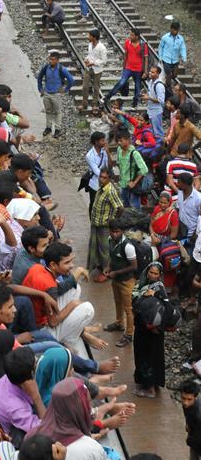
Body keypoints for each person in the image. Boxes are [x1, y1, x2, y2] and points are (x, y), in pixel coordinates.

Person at [27, 378, 118, 460]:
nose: (90, 410)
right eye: (87, 404)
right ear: (79, 408)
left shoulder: (31, 437)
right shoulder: (91, 449)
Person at [0, 347, 45, 444]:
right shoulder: (16, 408)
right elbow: (45, 428)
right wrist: (37, 398)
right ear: (31, 373)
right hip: (7, 437)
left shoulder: (9, 376)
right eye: (36, 363)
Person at [132, 262, 168, 398]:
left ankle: (150, 388)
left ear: (160, 275)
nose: (152, 275)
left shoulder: (159, 289)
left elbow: (165, 307)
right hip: (141, 329)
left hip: (152, 331)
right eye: (151, 272)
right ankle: (144, 381)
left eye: (155, 273)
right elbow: (135, 300)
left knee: (151, 356)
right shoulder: (140, 284)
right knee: (141, 354)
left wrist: (153, 296)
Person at [104, 218, 138, 348]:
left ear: (122, 231)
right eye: (112, 231)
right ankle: (119, 323)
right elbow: (112, 257)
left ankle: (129, 334)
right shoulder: (110, 240)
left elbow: (134, 266)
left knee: (129, 309)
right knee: (117, 302)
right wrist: (109, 267)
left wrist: (115, 273)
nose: (114, 234)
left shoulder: (128, 246)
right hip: (116, 280)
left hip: (127, 281)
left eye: (117, 232)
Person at [88, 168, 123, 279]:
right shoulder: (102, 188)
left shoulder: (110, 191)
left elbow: (120, 207)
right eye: (100, 177)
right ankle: (99, 266)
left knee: (105, 250)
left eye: (104, 178)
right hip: (96, 224)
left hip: (104, 226)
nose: (101, 179)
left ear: (109, 179)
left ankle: (106, 272)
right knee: (96, 246)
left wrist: (112, 221)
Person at [105, 29, 148, 109]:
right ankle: (107, 97)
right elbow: (126, 55)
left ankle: (135, 103)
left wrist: (145, 71)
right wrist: (124, 67)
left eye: (132, 35)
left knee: (137, 87)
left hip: (138, 69)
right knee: (121, 83)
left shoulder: (143, 45)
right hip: (128, 68)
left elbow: (146, 58)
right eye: (130, 34)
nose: (130, 36)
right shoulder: (127, 42)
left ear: (137, 36)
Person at [37, 51, 74, 139]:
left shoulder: (62, 69)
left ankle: (57, 129)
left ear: (57, 60)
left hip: (56, 94)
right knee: (48, 111)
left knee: (57, 112)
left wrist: (65, 90)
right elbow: (39, 77)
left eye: (53, 59)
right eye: (50, 59)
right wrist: (40, 89)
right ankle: (48, 128)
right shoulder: (46, 67)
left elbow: (71, 80)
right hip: (47, 93)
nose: (50, 61)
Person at [115, 127, 149, 210]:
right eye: (118, 141)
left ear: (128, 140)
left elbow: (144, 169)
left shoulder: (134, 153)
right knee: (125, 206)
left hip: (132, 187)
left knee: (135, 208)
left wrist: (134, 182)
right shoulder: (119, 149)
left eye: (121, 141)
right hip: (123, 184)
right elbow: (118, 163)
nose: (119, 143)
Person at [80, 30, 107, 114]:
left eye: (90, 36)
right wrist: (86, 59)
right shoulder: (90, 44)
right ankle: (84, 104)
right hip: (89, 69)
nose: (88, 37)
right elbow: (90, 54)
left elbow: (104, 61)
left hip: (97, 70)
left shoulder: (102, 48)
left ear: (94, 37)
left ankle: (94, 104)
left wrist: (93, 63)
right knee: (85, 87)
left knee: (96, 87)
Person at [159, 19, 187, 92]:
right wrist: (160, 57)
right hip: (166, 60)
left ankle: (166, 85)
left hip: (175, 60)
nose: (175, 32)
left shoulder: (180, 39)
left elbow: (182, 48)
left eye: (177, 30)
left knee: (174, 75)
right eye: (174, 30)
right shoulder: (165, 37)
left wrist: (184, 58)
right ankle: (168, 89)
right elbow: (160, 47)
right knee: (169, 74)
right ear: (171, 29)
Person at [142, 63, 166, 140]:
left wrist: (148, 98)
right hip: (151, 111)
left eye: (153, 72)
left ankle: (161, 148)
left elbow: (160, 100)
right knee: (153, 131)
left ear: (158, 74)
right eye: (150, 71)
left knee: (158, 132)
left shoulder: (159, 85)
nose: (150, 73)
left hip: (156, 112)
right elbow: (151, 94)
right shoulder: (151, 82)